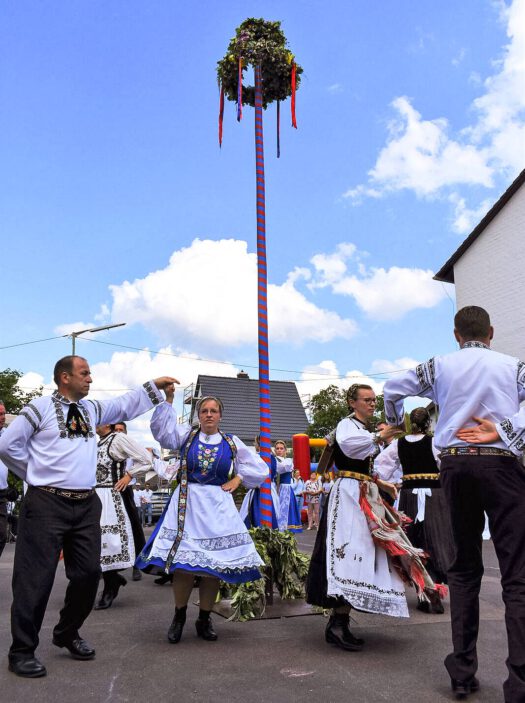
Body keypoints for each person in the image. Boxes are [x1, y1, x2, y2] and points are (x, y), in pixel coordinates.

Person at [0, 355, 176, 678]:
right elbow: (7, 445)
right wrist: (35, 475)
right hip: (45, 504)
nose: (90, 379)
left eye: (90, 374)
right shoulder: (38, 408)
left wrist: (154, 388)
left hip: (85, 504)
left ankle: (67, 632)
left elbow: (124, 405)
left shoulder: (90, 410)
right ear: (64, 378)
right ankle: (22, 650)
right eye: (84, 373)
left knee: (88, 574)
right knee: (34, 580)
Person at [383, 306, 525, 702]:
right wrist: (504, 428)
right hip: (501, 463)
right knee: (517, 575)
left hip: (456, 466)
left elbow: (393, 387)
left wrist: (393, 419)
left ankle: (463, 672)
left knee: (463, 570)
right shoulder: (513, 367)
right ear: (491, 332)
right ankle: (520, 684)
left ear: (456, 335)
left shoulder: (440, 365)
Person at [306, 384, 444, 653]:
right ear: (351, 402)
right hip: (347, 495)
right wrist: (379, 437)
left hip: (362, 493)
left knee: (363, 553)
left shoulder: (361, 429)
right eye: (366, 400)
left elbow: (366, 466)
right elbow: (349, 447)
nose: (372, 404)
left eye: (373, 400)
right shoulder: (347, 425)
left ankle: (340, 621)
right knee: (347, 552)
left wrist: (382, 483)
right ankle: (337, 623)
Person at [136, 387, 268, 644]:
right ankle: (179, 615)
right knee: (184, 567)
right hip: (188, 505)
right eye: (204, 411)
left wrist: (239, 478)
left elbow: (259, 467)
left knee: (213, 569)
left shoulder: (231, 442)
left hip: (217, 508)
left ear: (220, 416)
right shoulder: (187, 436)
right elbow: (163, 433)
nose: (208, 415)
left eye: (213, 411)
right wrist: (169, 401)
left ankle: (204, 617)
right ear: (198, 415)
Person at [374, 407, 454, 611]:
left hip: (409, 496)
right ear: (428, 423)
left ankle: (424, 592)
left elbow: (380, 466)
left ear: (410, 424)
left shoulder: (398, 445)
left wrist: (388, 483)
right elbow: (447, 465)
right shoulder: (434, 442)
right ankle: (434, 591)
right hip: (434, 497)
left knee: (414, 542)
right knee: (437, 540)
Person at [93, 423, 156, 609]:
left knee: (109, 543)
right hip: (95, 496)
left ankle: (110, 585)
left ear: (107, 422)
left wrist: (129, 475)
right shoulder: (98, 442)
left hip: (112, 497)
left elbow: (146, 459)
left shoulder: (118, 438)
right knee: (97, 544)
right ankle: (111, 581)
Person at [239, 434, 280, 529]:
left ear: (257, 444)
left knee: (256, 515)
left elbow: (250, 474)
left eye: (255, 443)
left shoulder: (256, 457)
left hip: (259, 490)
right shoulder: (273, 458)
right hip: (270, 490)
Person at [274, 440, 302, 533]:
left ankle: (285, 530)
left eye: (281, 448)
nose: (279, 450)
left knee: (285, 511)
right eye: (277, 448)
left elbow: (282, 468)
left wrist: (273, 459)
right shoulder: (273, 460)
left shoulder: (288, 461)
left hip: (285, 489)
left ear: (285, 450)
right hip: (275, 488)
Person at [0, 401, 9, 557]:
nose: (3, 417)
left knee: (1, 536)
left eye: (3, 413)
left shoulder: (8, 434)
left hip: (1, 494)